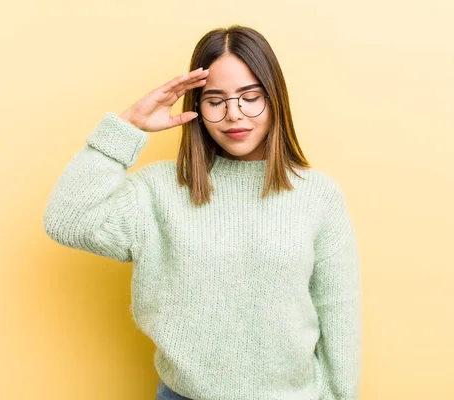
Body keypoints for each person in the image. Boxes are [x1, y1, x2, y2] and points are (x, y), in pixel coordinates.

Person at [44, 25, 362, 400]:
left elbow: (339, 312)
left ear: (275, 99)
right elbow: (68, 220)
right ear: (196, 107)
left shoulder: (318, 195)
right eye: (215, 101)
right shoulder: (158, 191)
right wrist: (128, 126)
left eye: (251, 97)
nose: (234, 115)